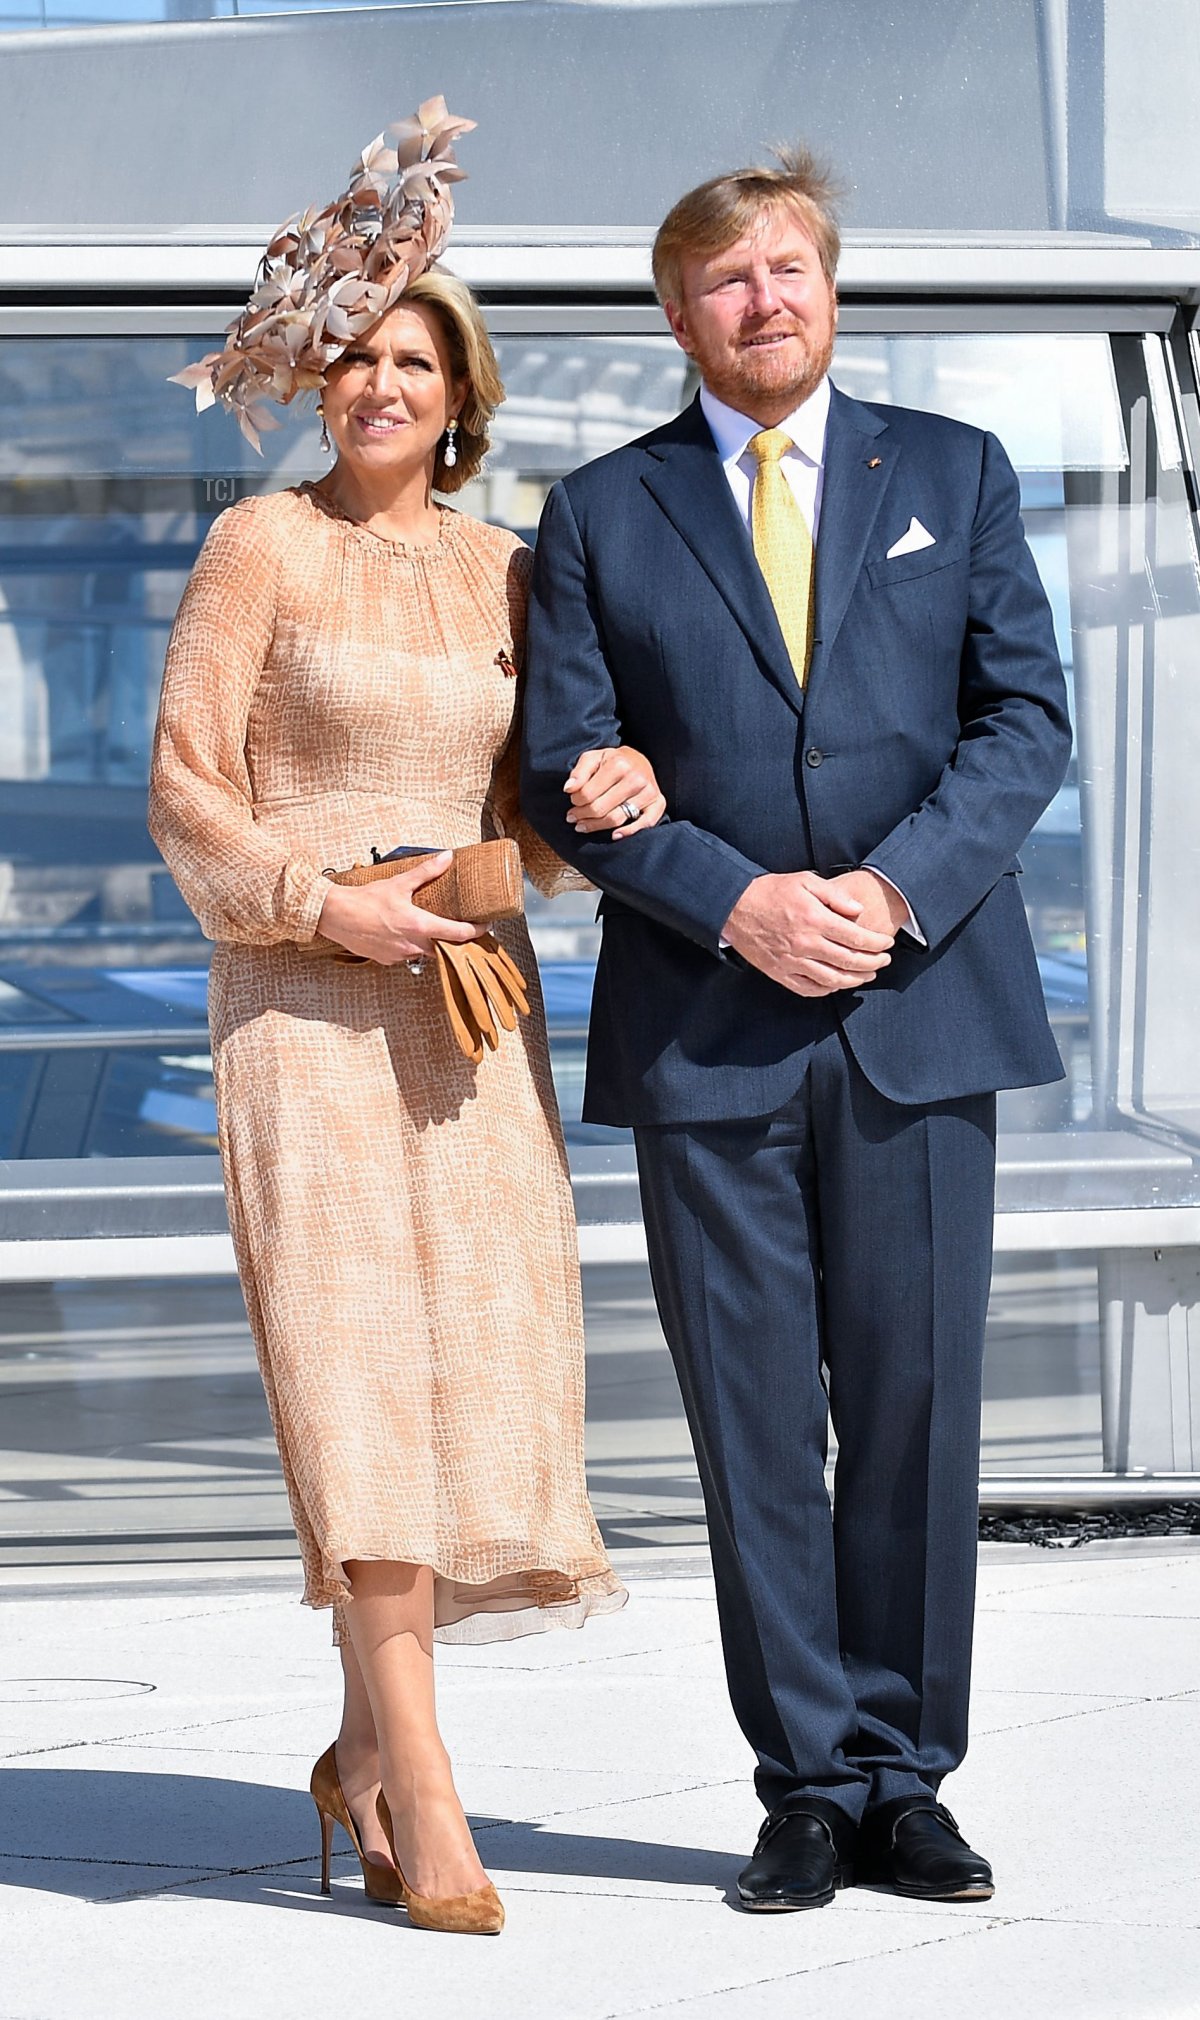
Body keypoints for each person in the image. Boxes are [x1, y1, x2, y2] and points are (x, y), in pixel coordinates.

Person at [521, 145, 1072, 1912]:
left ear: (831, 290)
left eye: (791, 271)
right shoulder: (600, 513)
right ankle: (808, 1784)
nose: (766, 301)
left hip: (921, 1005)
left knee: (913, 1410)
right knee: (752, 1423)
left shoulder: (959, 474)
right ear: (678, 316)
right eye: (727, 280)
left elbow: (1021, 727)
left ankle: (910, 1777)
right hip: (709, 1022)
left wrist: (892, 894)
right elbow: (569, 763)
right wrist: (735, 897)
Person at [148, 101, 665, 1937]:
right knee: (360, 1386)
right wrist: (321, 904)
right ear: (320, 380)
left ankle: (362, 1755)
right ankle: (428, 1796)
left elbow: (546, 806)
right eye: (354, 355)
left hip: (470, 1016)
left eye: (413, 360)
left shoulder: (515, 568)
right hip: (299, 1014)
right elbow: (187, 787)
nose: (380, 384)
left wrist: (517, 863)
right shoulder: (255, 547)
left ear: (461, 393)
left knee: (475, 1387)